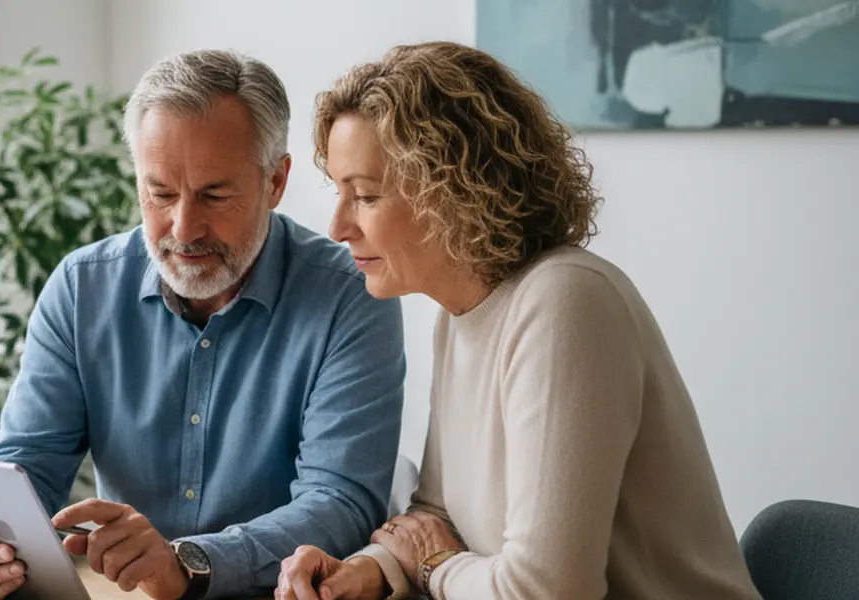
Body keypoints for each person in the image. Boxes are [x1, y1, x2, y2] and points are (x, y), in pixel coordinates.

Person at [276, 41, 763, 600]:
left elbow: (545, 591)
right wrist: (370, 569)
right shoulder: (460, 314)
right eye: (339, 193)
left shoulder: (565, 304)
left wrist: (435, 565)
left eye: (363, 195)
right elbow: (436, 513)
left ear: (451, 191)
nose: (338, 227)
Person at [0, 49, 409, 600]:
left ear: (276, 181)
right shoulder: (80, 287)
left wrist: (192, 563)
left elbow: (340, 503)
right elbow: (26, 468)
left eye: (214, 195)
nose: (184, 228)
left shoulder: (350, 292)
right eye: (160, 193)